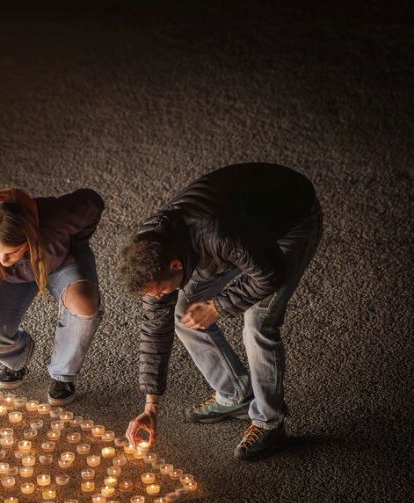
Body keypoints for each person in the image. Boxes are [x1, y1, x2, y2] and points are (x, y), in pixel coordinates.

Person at [119, 163, 322, 460]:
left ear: (176, 266)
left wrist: (217, 306)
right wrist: (151, 406)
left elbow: (270, 274)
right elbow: (154, 324)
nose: (159, 296)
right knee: (183, 310)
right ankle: (235, 394)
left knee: (258, 321)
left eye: (161, 289)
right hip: (242, 231)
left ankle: (270, 422)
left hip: (290, 219)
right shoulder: (151, 251)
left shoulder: (216, 235)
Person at [0, 188, 105, 415]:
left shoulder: (56, 219)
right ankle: (17, 359)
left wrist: (78, 244)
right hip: (12, 280)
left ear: (28, 240)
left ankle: (62, 374)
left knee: (84, 303)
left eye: (11, 252)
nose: (3, 259)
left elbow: (93, 202)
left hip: (58, 263)